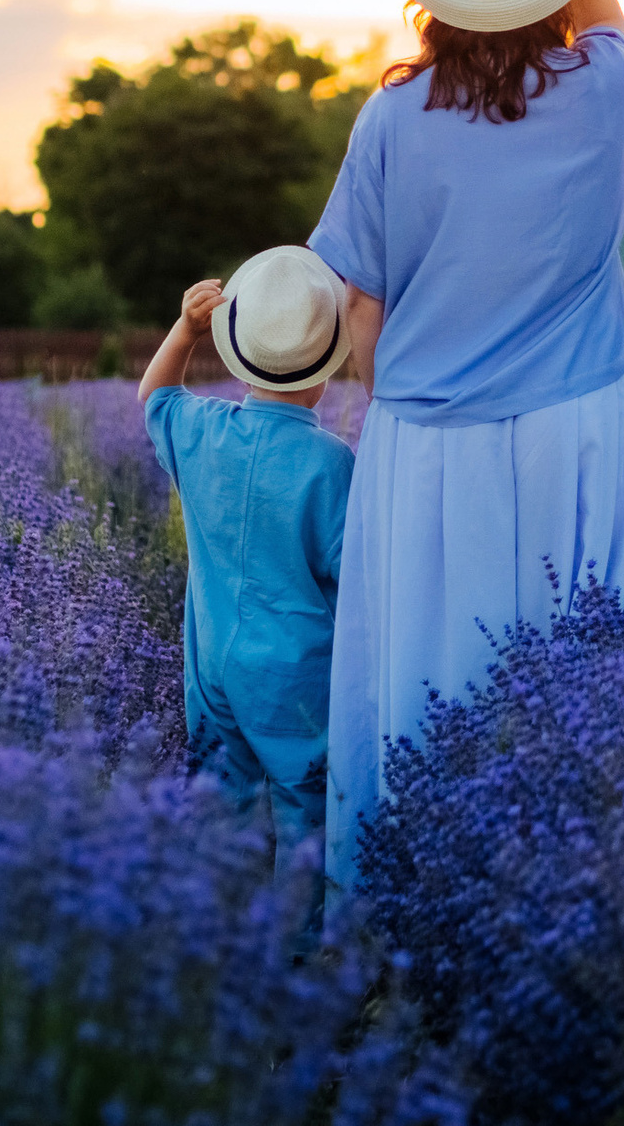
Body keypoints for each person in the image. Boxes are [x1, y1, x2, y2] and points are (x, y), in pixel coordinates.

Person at [308, 0, 624, 895]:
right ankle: (559, 914)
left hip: (425, 442)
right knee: (572, 681)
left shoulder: (390, 117)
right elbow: (601, 7)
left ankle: (403, 926)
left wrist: (393, 389)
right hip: (575, 428)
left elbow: (353, 300)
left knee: (418, 687)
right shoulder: (604, 86)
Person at [138, 246, 357, 863]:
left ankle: (218, 918)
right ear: (324, 370)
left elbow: (154, 395)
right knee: (304, 807)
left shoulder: (203, 429)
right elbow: (354, 573)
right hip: (296, 669)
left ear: (241, 356)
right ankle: (299, 944)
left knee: (220, 798)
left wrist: (185, 330)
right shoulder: (331, 463)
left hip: (211, 658)